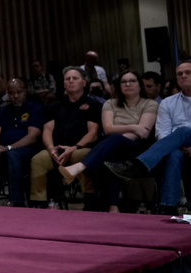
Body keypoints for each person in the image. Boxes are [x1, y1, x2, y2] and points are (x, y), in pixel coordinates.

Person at [106, 61, 191, 214]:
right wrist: (178, 146)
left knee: (184, 131)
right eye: (179, 74)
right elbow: (162, 132)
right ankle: (168, 206)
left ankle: (140, 164)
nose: (183, 76)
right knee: (173, 153)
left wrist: (184, 140)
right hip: (175, 148)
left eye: (188, 72)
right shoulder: (167, 102)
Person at [58, 70, 158, 212]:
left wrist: (123, 134)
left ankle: (81, 166)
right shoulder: (110, 104)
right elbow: (108, 128)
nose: (128, 84)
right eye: (124, 82)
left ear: (139, 85)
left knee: (113, 142)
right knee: (111, 160)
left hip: (138, 148)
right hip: (113, 147)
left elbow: (143, 132)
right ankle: (113, 207)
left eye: (132, 81)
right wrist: (133, 127)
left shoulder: (150, 104)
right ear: (119, 86)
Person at [29, 67, 103, 207]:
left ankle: (90, 199)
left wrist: (74, 148)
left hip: (81, 148)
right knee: (38, 159)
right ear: (63, 84)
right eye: (67, 79)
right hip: (57, 150)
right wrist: (51, 149)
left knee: (80, 155)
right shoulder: (54, 106)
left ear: (84, 83)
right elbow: (47, 130)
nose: (71, 81)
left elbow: (93, 133)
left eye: (75, 78)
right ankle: (38, 202)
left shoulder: (93, 105)